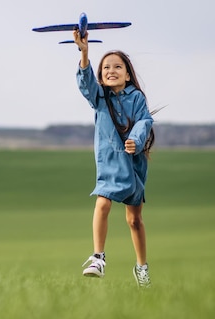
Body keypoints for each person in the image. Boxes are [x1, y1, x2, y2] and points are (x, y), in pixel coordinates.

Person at [74, 30, 155, 288]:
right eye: (106, 67)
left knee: (134, 219)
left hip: (132, 164)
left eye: (118, 66)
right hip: (108, 162)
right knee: (103, 204)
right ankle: (98, 257)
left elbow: (145, 121)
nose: (111, 70)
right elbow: (85, 83)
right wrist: (84, 52)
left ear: (128, 74)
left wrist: (136, 139)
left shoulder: (136, 98)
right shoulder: (99, 97)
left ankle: (141, 267)